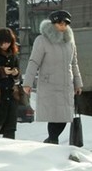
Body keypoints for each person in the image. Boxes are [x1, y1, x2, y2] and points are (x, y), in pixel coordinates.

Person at [23, 10, 83, 144]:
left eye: (65, 24)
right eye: (60, 23)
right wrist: (27, 83)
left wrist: (78, 83)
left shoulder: (69, 42)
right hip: (49, 84)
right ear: (53, 23)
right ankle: (52, 140)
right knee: (54, 116)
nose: (62, 26)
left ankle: (51, 140)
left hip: (66, 84)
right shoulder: (42, 40)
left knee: (64, 118)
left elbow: (74, 64)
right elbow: (34, 62)